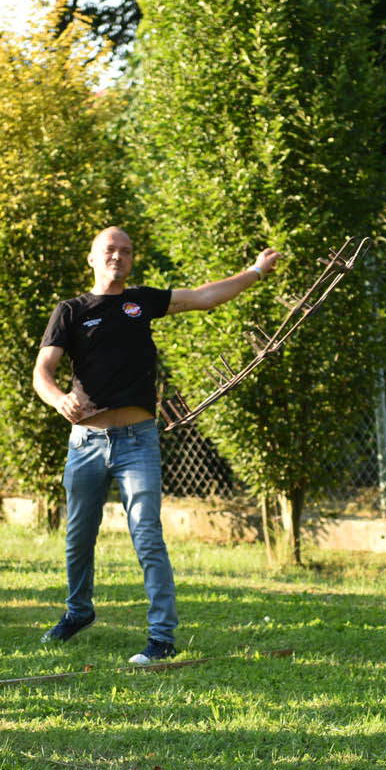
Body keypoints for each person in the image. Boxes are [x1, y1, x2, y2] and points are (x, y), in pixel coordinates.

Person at [33, 226, 281, 664]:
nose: (118, 256)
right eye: (109, 250)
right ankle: (78, 611)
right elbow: (43, 372)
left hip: (137, 441)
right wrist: (58, 400)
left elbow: (204, 297)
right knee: (78, 537)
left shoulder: (142, 302)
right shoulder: (70, 311)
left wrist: (256, 272)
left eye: (126, 251)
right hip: (85, 442)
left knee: (147, 534)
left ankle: (161, 637)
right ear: (91, 258)